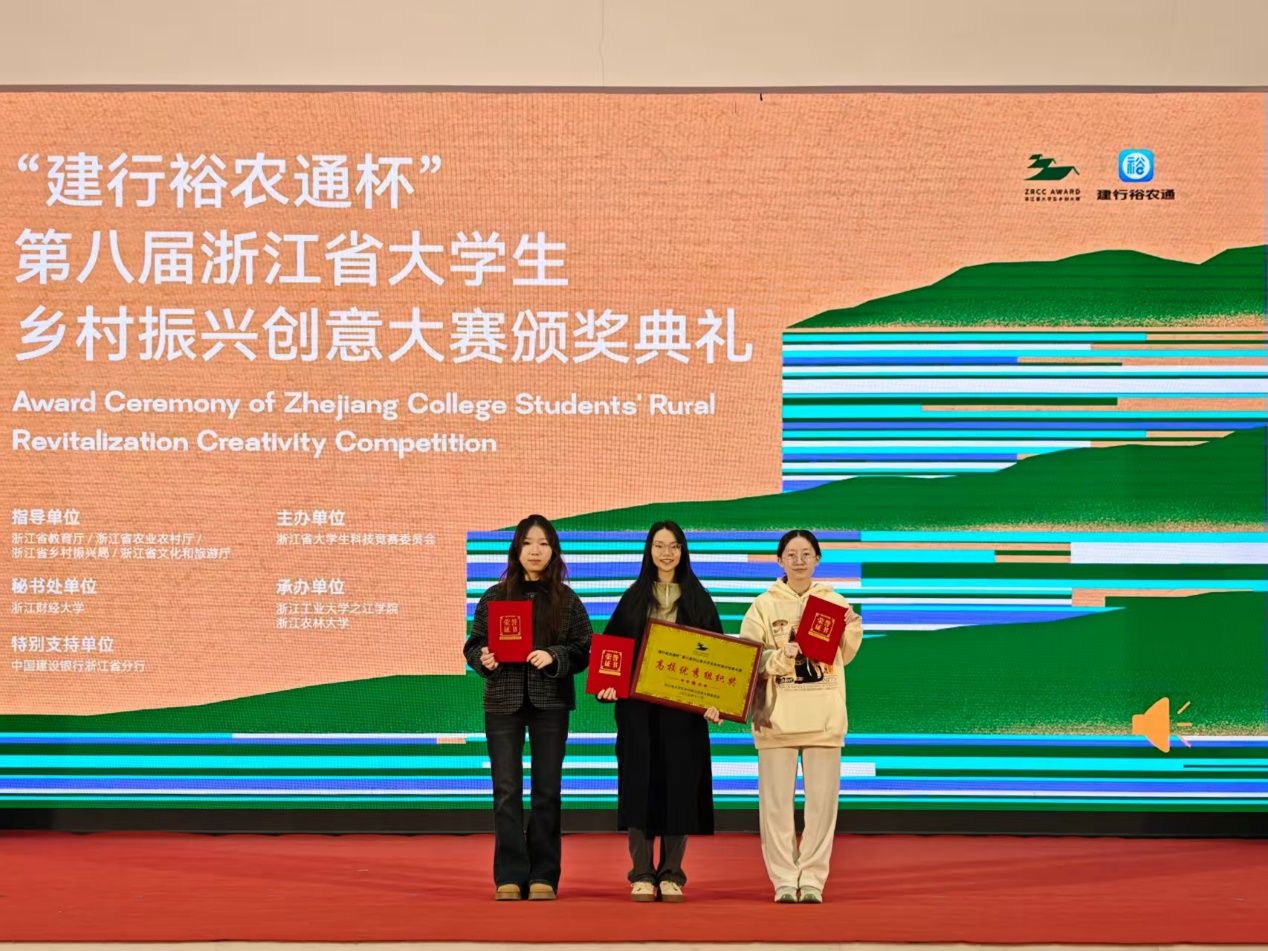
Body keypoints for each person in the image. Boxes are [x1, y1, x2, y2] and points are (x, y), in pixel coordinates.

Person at [462, 514, 592, 901]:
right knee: (506, 790)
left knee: (547, 791)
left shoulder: (567, 600)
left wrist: (554, 656)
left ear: (554, 551)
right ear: (516, 549)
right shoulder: (494, 596)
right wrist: (482, 658)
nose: (535, 551)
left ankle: (544, 876)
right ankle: (509, 874)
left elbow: (583, 649)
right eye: (528, 543)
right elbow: (474, 644)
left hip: (550, 702)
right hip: (502, 702)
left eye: (543, 544)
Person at [597, 521, 723, 903]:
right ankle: (641, 873)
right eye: (659, 546)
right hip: (638, 713)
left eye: (674, 546)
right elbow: (611, 653)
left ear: (683, 551)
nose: (666, 553)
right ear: (648, 551)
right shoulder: (633, 597)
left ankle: (671, 874)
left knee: (679, 788)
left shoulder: (699, 599)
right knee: (639, 786)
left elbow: (719, 658)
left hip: (683, 716)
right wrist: (607, 688)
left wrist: (717, 701)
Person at [739, 529, 863, 904]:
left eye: (806, 554)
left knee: (822, 806)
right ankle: (782, 880)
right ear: (779, 560)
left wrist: (851, 627)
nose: (798, 560)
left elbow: (844, 657)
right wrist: (782, 656)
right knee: (775, 807)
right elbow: (748, 659)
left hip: (824, 718)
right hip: (776, 720)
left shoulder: (834, 602)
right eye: (791, 554)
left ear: (817, 559)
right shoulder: (762, 605)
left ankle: (812, 879)